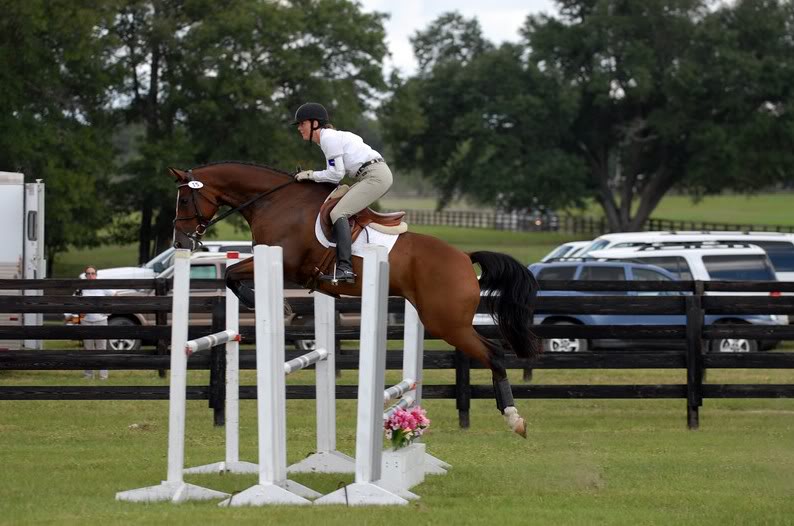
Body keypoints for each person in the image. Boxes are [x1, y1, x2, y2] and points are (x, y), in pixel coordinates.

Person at [291, 102, 393, 283]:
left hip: (375, 176)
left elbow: (336, 174)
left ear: (315, 123)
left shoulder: (328, 139)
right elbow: (336, 174)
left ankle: (345, 268)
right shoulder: (329, 138)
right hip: (370, 175)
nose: (299, 128)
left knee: (338, 212)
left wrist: (310, 174)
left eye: (302, 123)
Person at [79, 265, 112, 380]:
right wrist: (80, 314)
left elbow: (114, 296)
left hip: (101, 321)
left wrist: (107, 312)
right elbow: (74, 301)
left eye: (93, 273)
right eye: (88, 273)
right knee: (88, 349)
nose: (91, 275)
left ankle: (103, 375)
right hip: (86, 322)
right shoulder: (81, 288)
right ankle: (88, 375)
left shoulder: (102, 286)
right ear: (85, 275)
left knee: (101, 349)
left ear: (96, 275)